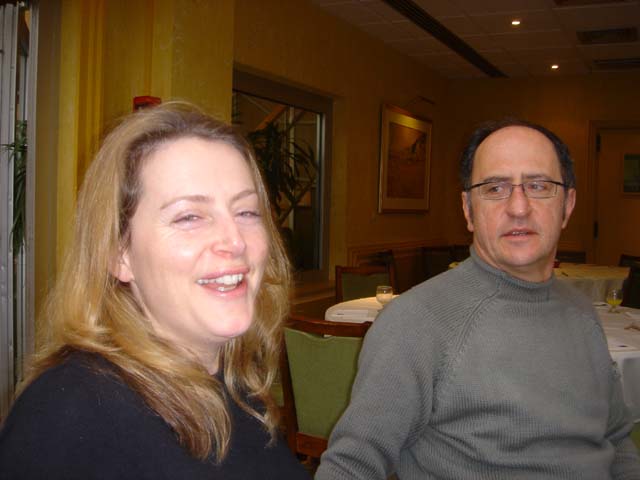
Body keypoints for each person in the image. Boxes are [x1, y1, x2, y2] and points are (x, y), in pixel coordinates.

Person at [0, 102, 310, 479]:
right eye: (189, 217)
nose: (235, 241)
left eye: (246, 212)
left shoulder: (237, 385)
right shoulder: (68, 413)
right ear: (119, 253)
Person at [316, 119, 640, 479]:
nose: (519, 207)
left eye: (538, 185)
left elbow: (617, 440)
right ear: (468, 210)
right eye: (495, 188)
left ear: (568, 205)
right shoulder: (416, 322)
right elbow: (350, 466)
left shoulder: (583, 313)